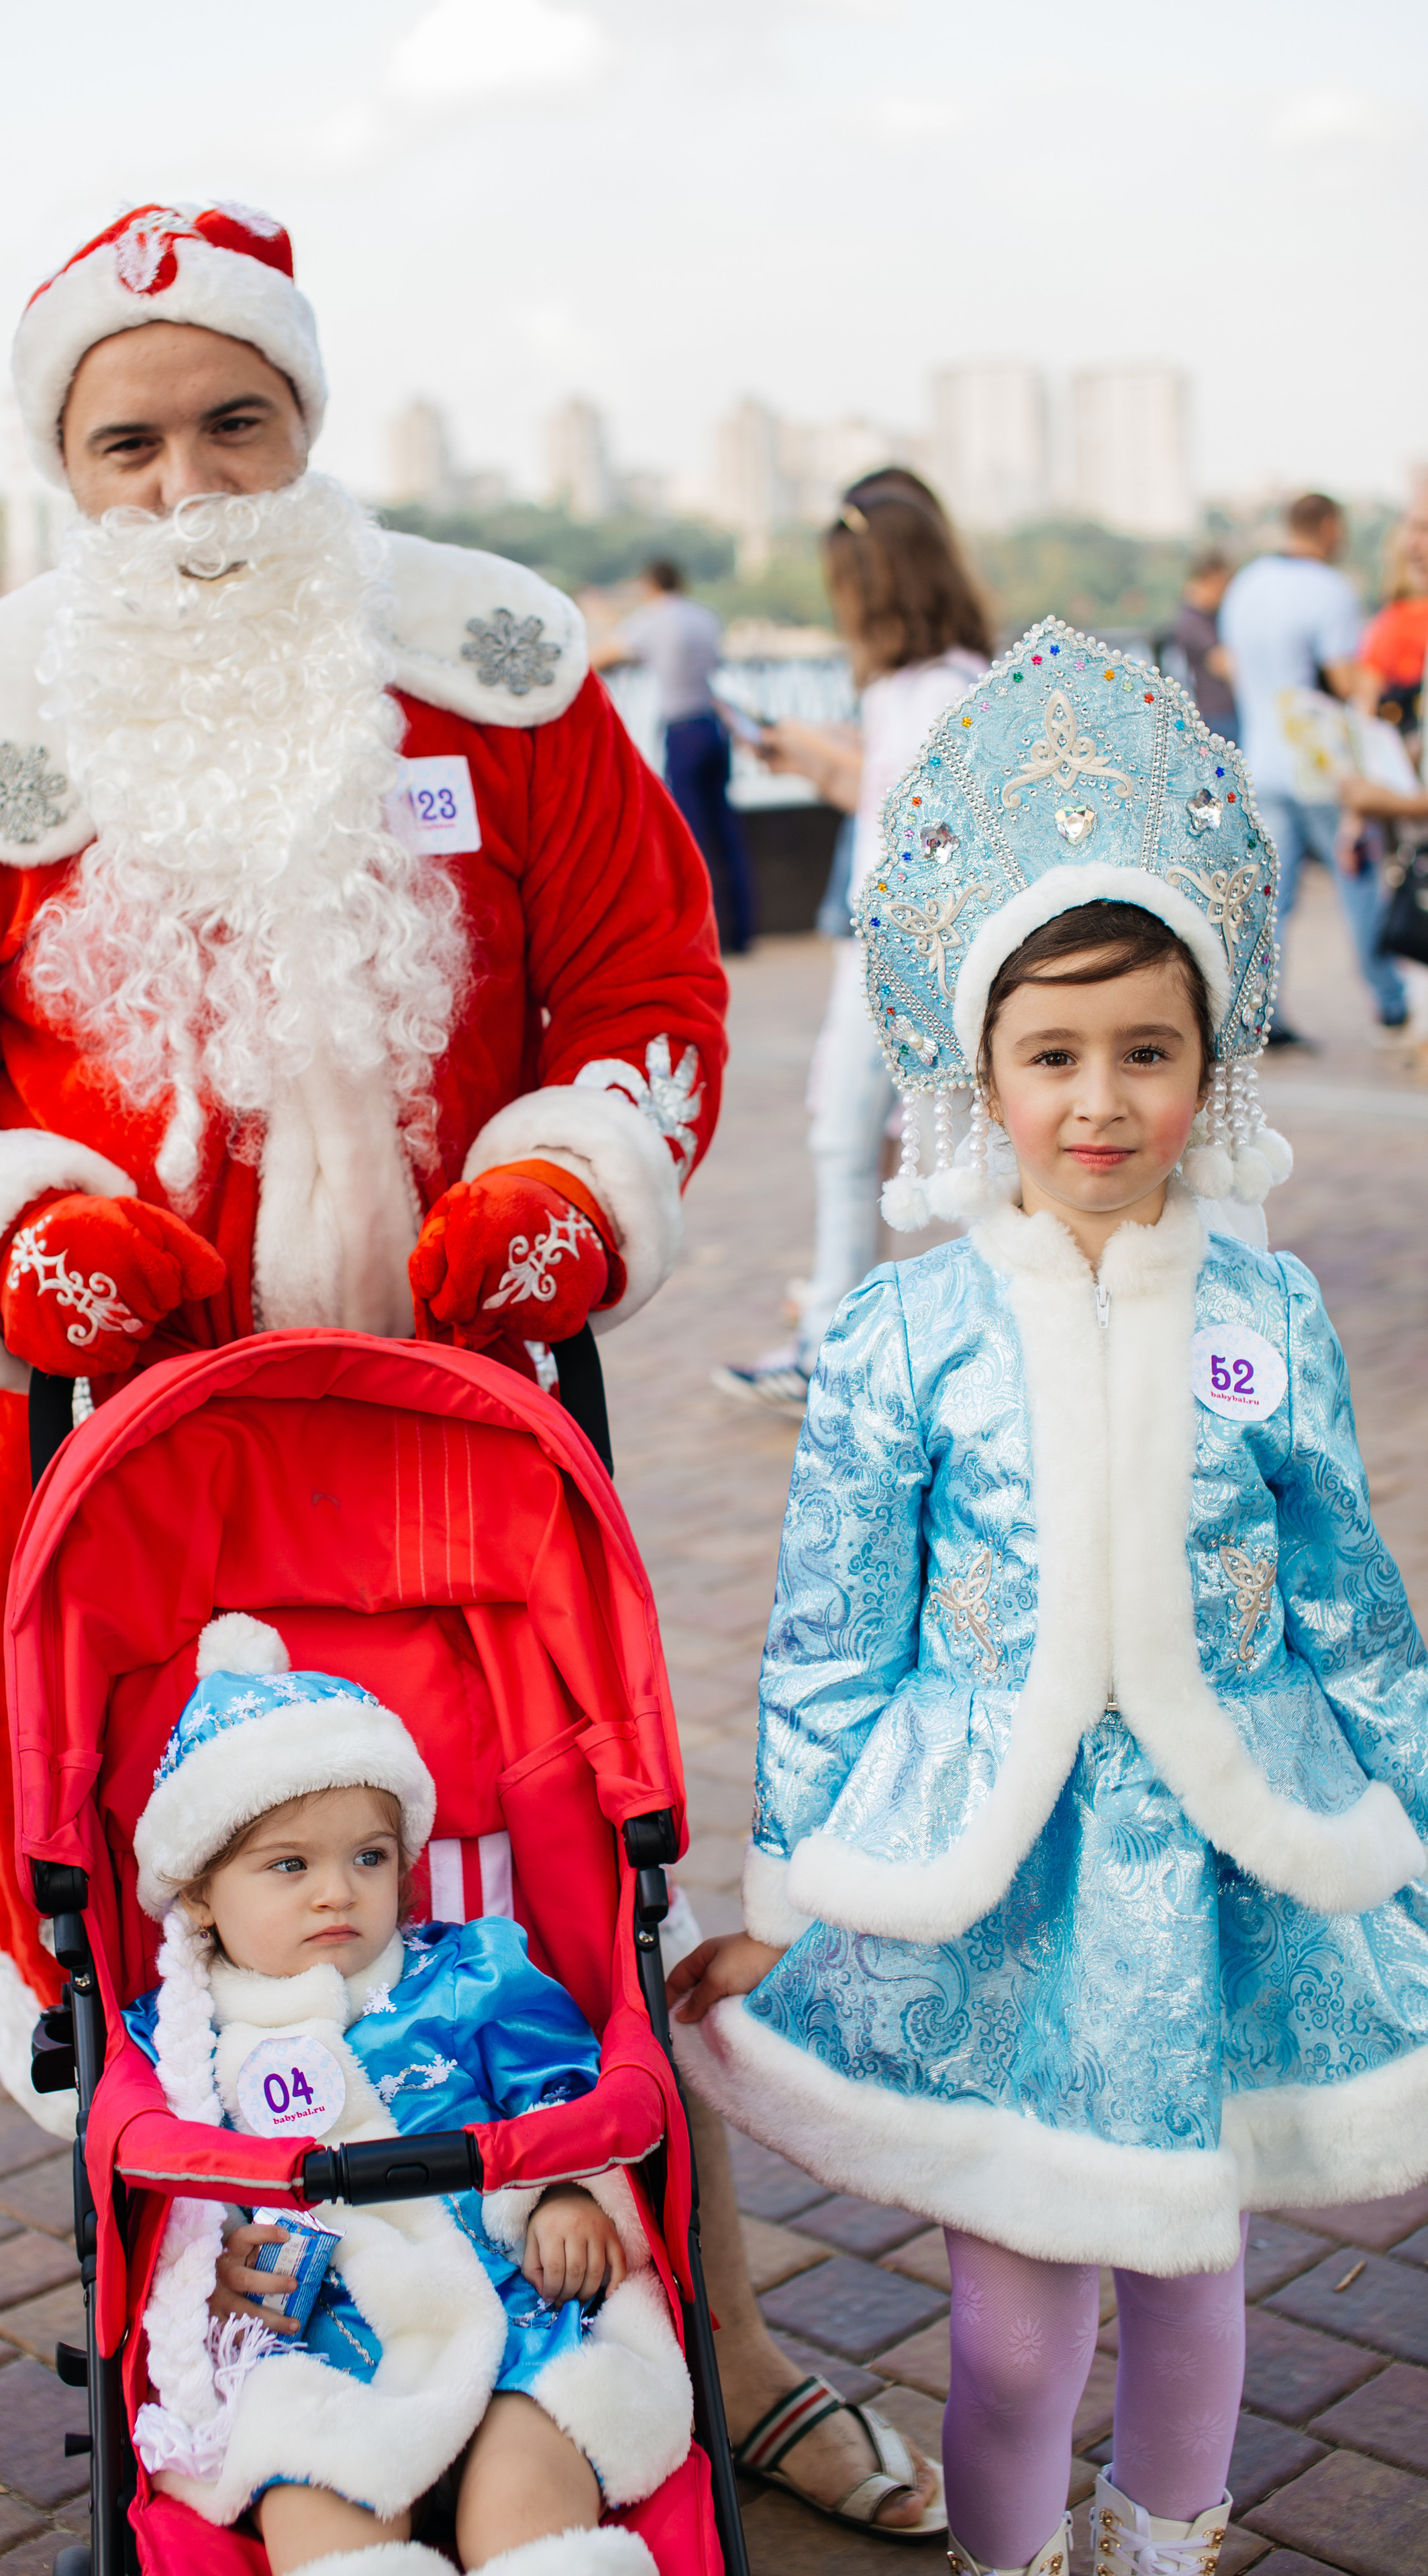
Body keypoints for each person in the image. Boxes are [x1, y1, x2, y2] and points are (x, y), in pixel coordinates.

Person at [0, 201, 727, 2131]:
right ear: (63, 468)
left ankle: (633, 2296)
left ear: (306, 421)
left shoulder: (503, 668)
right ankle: (196, 2324)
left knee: (540, 1846)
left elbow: (650, 984)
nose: (189, 488)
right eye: (128, 445)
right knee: (132, 1872)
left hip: (467, 1427)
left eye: (235, 425)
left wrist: (576, 1188)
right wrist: (17, 1237)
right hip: (114, 1458)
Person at [670, 618, 1428, 2576]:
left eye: (1148, 1050)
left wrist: (1413, 1827)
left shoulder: (1264, 1313)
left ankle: (1160, 2542)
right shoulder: (906, 1328)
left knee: (1194, 2279)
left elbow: (1352, 1604)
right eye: (1053, 1053)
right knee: (1008, 2328)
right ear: (978, 1068)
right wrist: (787, 1895)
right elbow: (833, 1632)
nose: (1100, 1098)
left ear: (1209, 1058)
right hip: (991, 1892)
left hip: (1218, 1881)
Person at [121, 1613, 691, 2576]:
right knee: (314, 2492)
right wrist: (206, 2264)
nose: (336, 1893)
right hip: (319, 2341)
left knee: (534, 2488)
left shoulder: (470, 1974)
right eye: (290, 1866)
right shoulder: (182, 2037)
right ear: (203, 1894)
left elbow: (564, 2091)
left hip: (517, 2311)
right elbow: (160, 2186)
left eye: (370, 1858)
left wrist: (558, 2192)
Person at [713, 471, 989, 1411]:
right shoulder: (941, 685)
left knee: (872, 1144)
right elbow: (888, 801)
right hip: (896, 945)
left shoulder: (929, 690)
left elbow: (914, 828)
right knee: (889, 1145)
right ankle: (859, 1329)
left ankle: (844, 1336)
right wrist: (811, 755)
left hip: (896, 951)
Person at [1218, 490, 1408, 1040]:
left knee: (1272, 900)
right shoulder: (1329, 590)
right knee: (1360, 882)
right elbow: (1351, 683)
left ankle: (1259, 1014)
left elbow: (1232, 666)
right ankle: (1391, 999)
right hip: (1323, 769)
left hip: (1262, 761)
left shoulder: (1246, 585)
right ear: (1328, 527)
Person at [592, 560, 755, 954]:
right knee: (726, 829)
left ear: (649, 584)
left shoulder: (651, 619)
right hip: (714, 727)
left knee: (691, 834)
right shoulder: (705, 617)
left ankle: (706, 931)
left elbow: (601, 658)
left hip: (682, 731)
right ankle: (743, 930)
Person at [1354, 491, 1428, 739]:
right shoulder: (1390, 623)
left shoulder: (1388, 625)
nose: (1411, 547)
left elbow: (1366, 707)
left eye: (1424, 529)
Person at [1169, 551, 1237, 742]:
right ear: (1212, 579)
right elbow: (1222, 665)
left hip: (1220, 713)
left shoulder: (1204, 617)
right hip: (1220, 715)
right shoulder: (1193, 621)